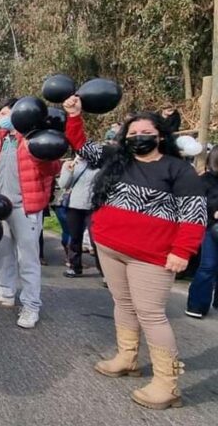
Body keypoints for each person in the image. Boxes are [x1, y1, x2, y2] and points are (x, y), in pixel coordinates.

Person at [64, 96, 206, 410]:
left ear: (160, 136)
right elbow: (81, 144)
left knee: (152, 315)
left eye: (144, 132)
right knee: (123, 303)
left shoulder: (178, 170)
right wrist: (74, 115)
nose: (137, 137)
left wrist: (182, 251)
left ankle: (167, 385)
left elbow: (194, 215)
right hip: (110, 248)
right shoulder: (116, 158)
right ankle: (127, 358)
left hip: (152, 257)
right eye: (131, 133)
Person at [0, 98, 60, 329]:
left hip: (26, 208)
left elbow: (52, 168)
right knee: (3, 253)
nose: (1, 117)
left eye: (5, 112)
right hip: (3, 206)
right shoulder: (3, 139)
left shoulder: (34, 139)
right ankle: (6, 291)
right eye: (0, 113)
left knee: (28, 259)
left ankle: (31, 306)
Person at [186, 145, 218, 318]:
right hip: (210, 228)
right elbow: (197, 204)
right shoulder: (204, 180)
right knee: (208, 265)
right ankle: (196, 305)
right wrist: (213, 211)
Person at [57, 154, 100, 277]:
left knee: (95, 240)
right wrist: (68, 171)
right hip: (74, 205)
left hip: (93, 206)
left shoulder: (99, 164)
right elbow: (63, 185)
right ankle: (75, 267)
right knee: (75, 238)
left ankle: (105, 273)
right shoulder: (70, 164)